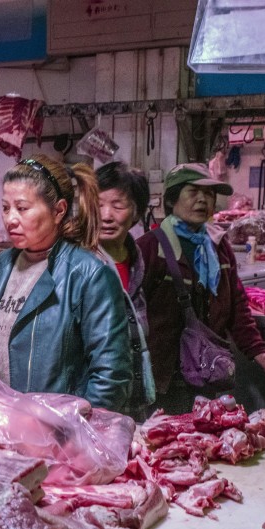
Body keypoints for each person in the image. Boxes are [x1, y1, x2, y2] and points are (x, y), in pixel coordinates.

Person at [0, 154, 133, 410]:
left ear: (59, 210)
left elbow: (111, 378)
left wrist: (72, 431)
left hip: (56, 434)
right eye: (5, 207)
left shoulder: (88, 274)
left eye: (22, 208)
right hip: (0, 424)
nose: (10, 218)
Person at [136, 163, 265, 414]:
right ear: (172, 200)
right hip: (161, 379)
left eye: (209, 194)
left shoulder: (218, 247)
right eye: (193, 192)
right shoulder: (149, 248)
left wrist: (256, 349)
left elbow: (236, 304)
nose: (203, 200)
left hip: (205, 373)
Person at [96, 161, 155, 417]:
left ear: (136, 212)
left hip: (134, 399)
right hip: (93, 406)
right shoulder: (76, 264)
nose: (106, 215)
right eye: (97, 205)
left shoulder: (137, 260)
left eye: (117, 205)